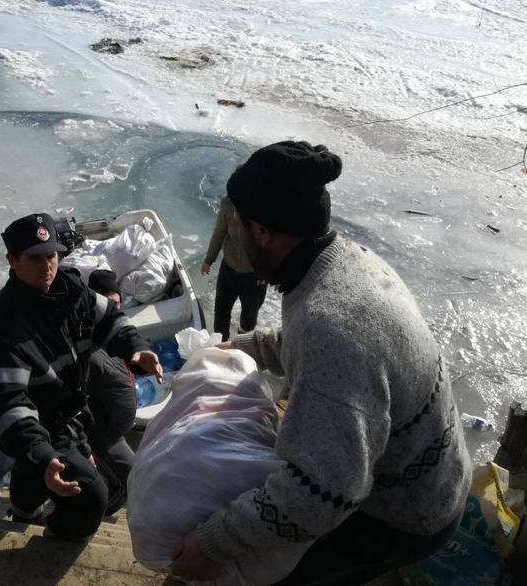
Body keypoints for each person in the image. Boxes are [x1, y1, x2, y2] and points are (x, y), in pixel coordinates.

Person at [172, 141, 471, 584]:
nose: (229, 230)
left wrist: (212, 543)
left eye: (235, 221)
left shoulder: (329, 323)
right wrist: (246, 346)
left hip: (403, 511)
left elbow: (320, 494)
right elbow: (310, 344)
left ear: (262, 233)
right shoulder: (342, 261)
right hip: (418, 471)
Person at [0, 213, 162, 542]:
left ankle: (22, 511)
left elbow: (109, 317)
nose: (46, 266)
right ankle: (52, 545)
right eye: (34, 258)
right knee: (90, 496)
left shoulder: (71, 288)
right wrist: (43, 454)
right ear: (12, 261)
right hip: (40, 422)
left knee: (41, 470)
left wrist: (135, 346)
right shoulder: (2, 325)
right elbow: (8, 403)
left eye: (51, 256)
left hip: (75, 411)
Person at [83, 268, 138, 516]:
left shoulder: (118, 333)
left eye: (116, 303)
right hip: (105, 432)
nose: (112, 311)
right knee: (130, 480)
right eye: (106, 304)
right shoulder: (89, 349)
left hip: (119, 422)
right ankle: (101, 512)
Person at [201, 195, 267, 341]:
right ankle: (220, 346)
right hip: (229, 268)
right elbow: (220, 231)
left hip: (255, 274)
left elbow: (275, 241)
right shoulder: (228, 202)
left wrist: (274, 272)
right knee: (221, 311)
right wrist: (209, 260)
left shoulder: (267, 204)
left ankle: (243, 347)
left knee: (249, 318)